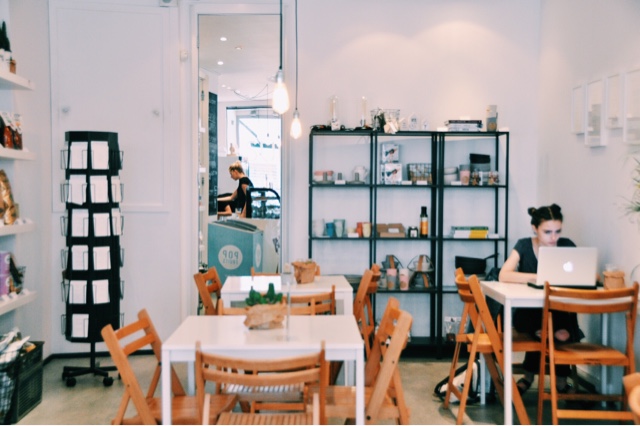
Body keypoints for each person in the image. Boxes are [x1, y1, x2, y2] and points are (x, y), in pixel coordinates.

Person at [498, 203, 582, 395]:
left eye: (557, 231)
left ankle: (550, 380)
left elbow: (590, 275)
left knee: (558, 329)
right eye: (547, 232)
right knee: (544, 330)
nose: (553, 237)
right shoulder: (524, 245)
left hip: (558, 311)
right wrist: (537, 277)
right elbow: (504, 274)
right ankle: (541, 379)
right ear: (535, 228)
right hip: (529, 313)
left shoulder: (566, 245)